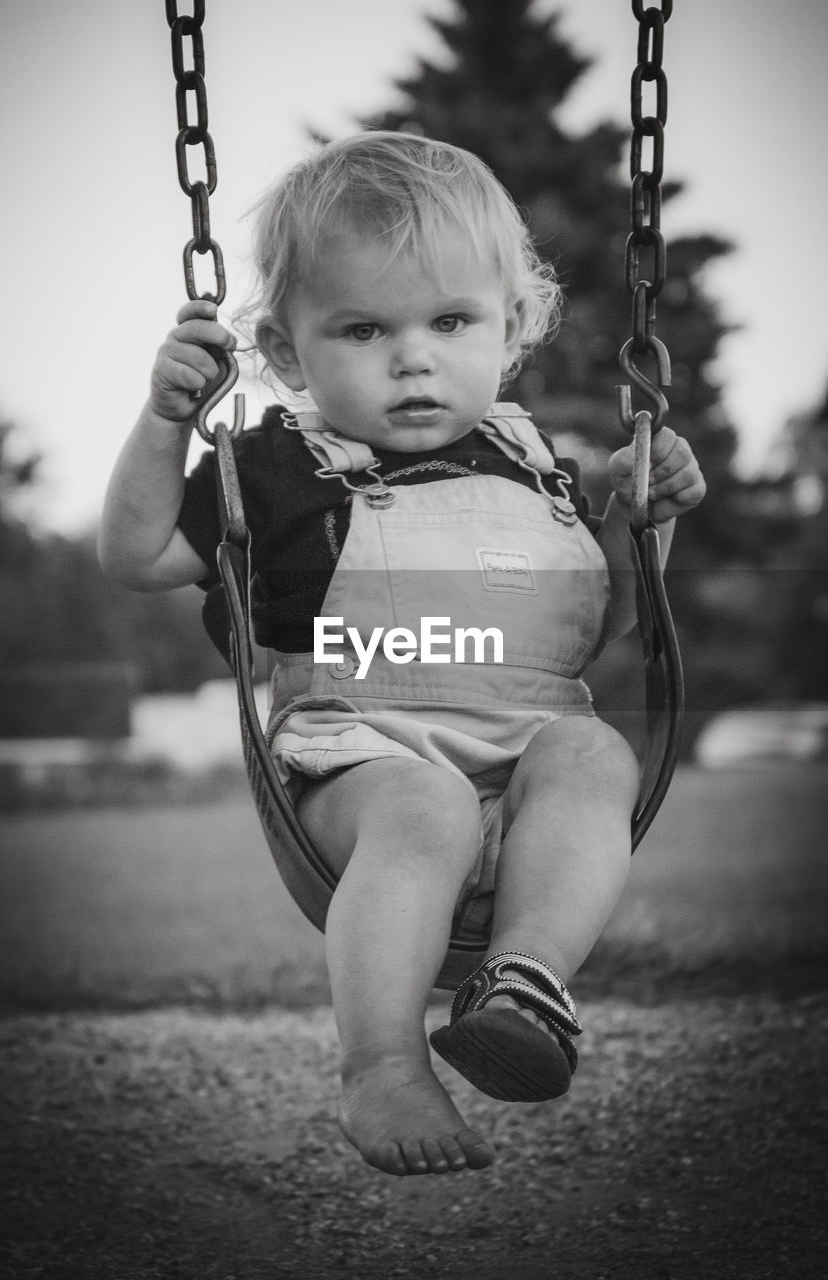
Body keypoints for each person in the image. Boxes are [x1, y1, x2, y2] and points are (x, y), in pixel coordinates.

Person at [99, 132, 705, 1179]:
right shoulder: (278, 466)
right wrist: (167, 424)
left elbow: (602, 626)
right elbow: (139, 552)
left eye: (450, 321)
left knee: (592, 754)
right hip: (360, 762)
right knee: (422, 805)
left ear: (511, 330)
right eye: (363, 327)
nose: (412, 355)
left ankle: (520, 983)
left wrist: (642, 521)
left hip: (521, 757)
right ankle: (380, 1062)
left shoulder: (539, 468)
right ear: (288, 355)